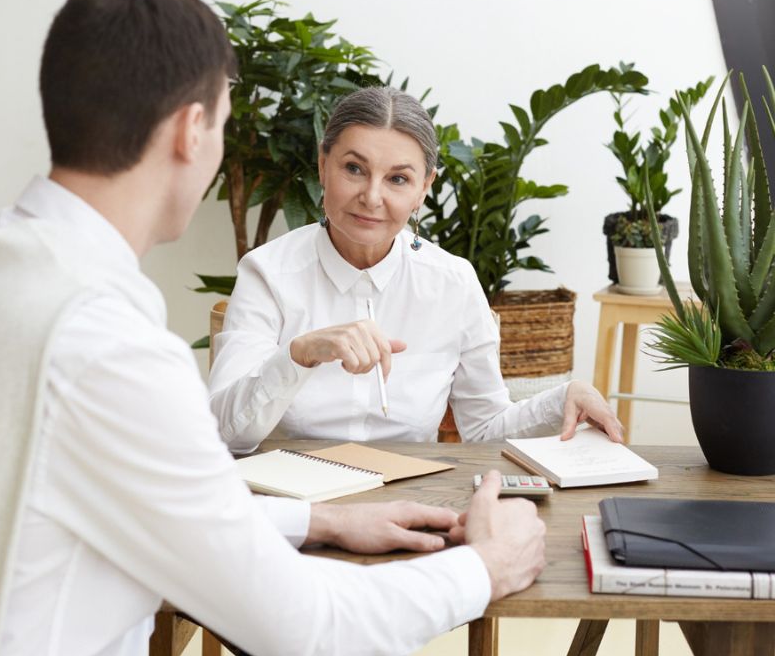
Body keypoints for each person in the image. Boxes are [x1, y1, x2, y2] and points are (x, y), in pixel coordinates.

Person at [0, 0, 547, 656]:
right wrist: (487, 566)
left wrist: (321, 518)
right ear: (193, 130)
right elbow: (304, 628)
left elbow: (178, 507)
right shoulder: (110, 347)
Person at [208, 87, 624, 454]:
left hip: (409, 503)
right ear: (322, 167)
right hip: (294, 505)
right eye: (353, 169)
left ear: (424, 188)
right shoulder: (268, 272)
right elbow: (225, 433)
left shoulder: (453, 283)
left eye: (398, 179)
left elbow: (484, 428)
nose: (371, 197)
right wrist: (299, 353)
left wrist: (567, 397)